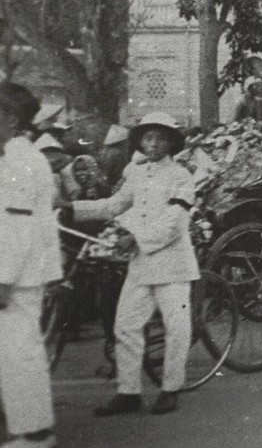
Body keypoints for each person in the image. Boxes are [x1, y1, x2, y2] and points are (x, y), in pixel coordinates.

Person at [71, 113, 198, 417]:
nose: (153, 144)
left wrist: (136, 239)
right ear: (140, 140)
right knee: (125, 326)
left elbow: (174, 223)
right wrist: (71, 209)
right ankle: (128, 391)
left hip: (172, 264)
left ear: (171, 143)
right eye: (148, 138)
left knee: (175, 328)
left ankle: (170, 389)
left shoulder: (181, 176)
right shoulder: (137, 174)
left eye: (160, 138)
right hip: (141, 266)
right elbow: (113, 205)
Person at [0, 83, 61, 448]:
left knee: (20, 351)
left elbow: (17, 227)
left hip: (16, 274)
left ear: (10, 119)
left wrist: (3, 278)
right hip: (18, 270)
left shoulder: (20, 161)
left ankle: (35, 432)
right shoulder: (16, 157)